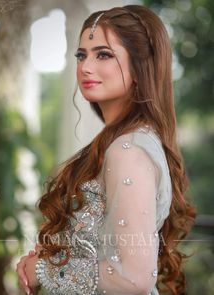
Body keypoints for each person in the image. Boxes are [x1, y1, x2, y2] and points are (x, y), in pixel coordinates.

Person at [16, 5, 196, 295]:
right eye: (81, 54)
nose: (86, 66)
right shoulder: (125, 141)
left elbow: (133, 278)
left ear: (140, 68)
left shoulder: (128, 149)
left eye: (103, 54)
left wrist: (44, 269)